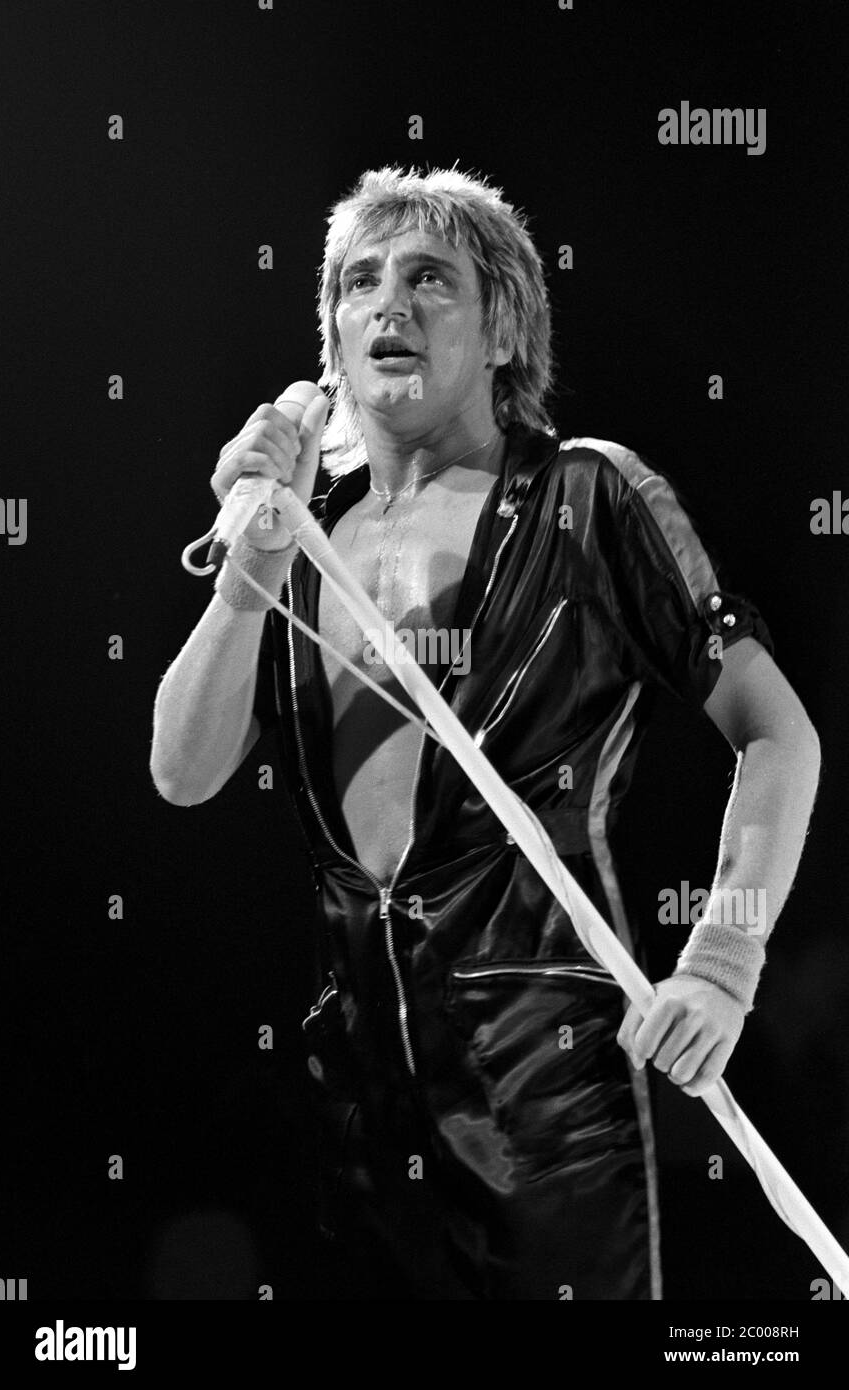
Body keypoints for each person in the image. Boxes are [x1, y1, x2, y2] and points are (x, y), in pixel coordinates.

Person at [150, 165, 821, 1300]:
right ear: (331, 338)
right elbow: (182, 769)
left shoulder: (587, 494)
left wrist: (722, 962)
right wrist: (253, 554)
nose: (388, 306)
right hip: (353, 1106)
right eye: (360, 283)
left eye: (428, 280)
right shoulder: (303, 541)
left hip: (545, 1095)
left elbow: (778, 733)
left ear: (504, 324)